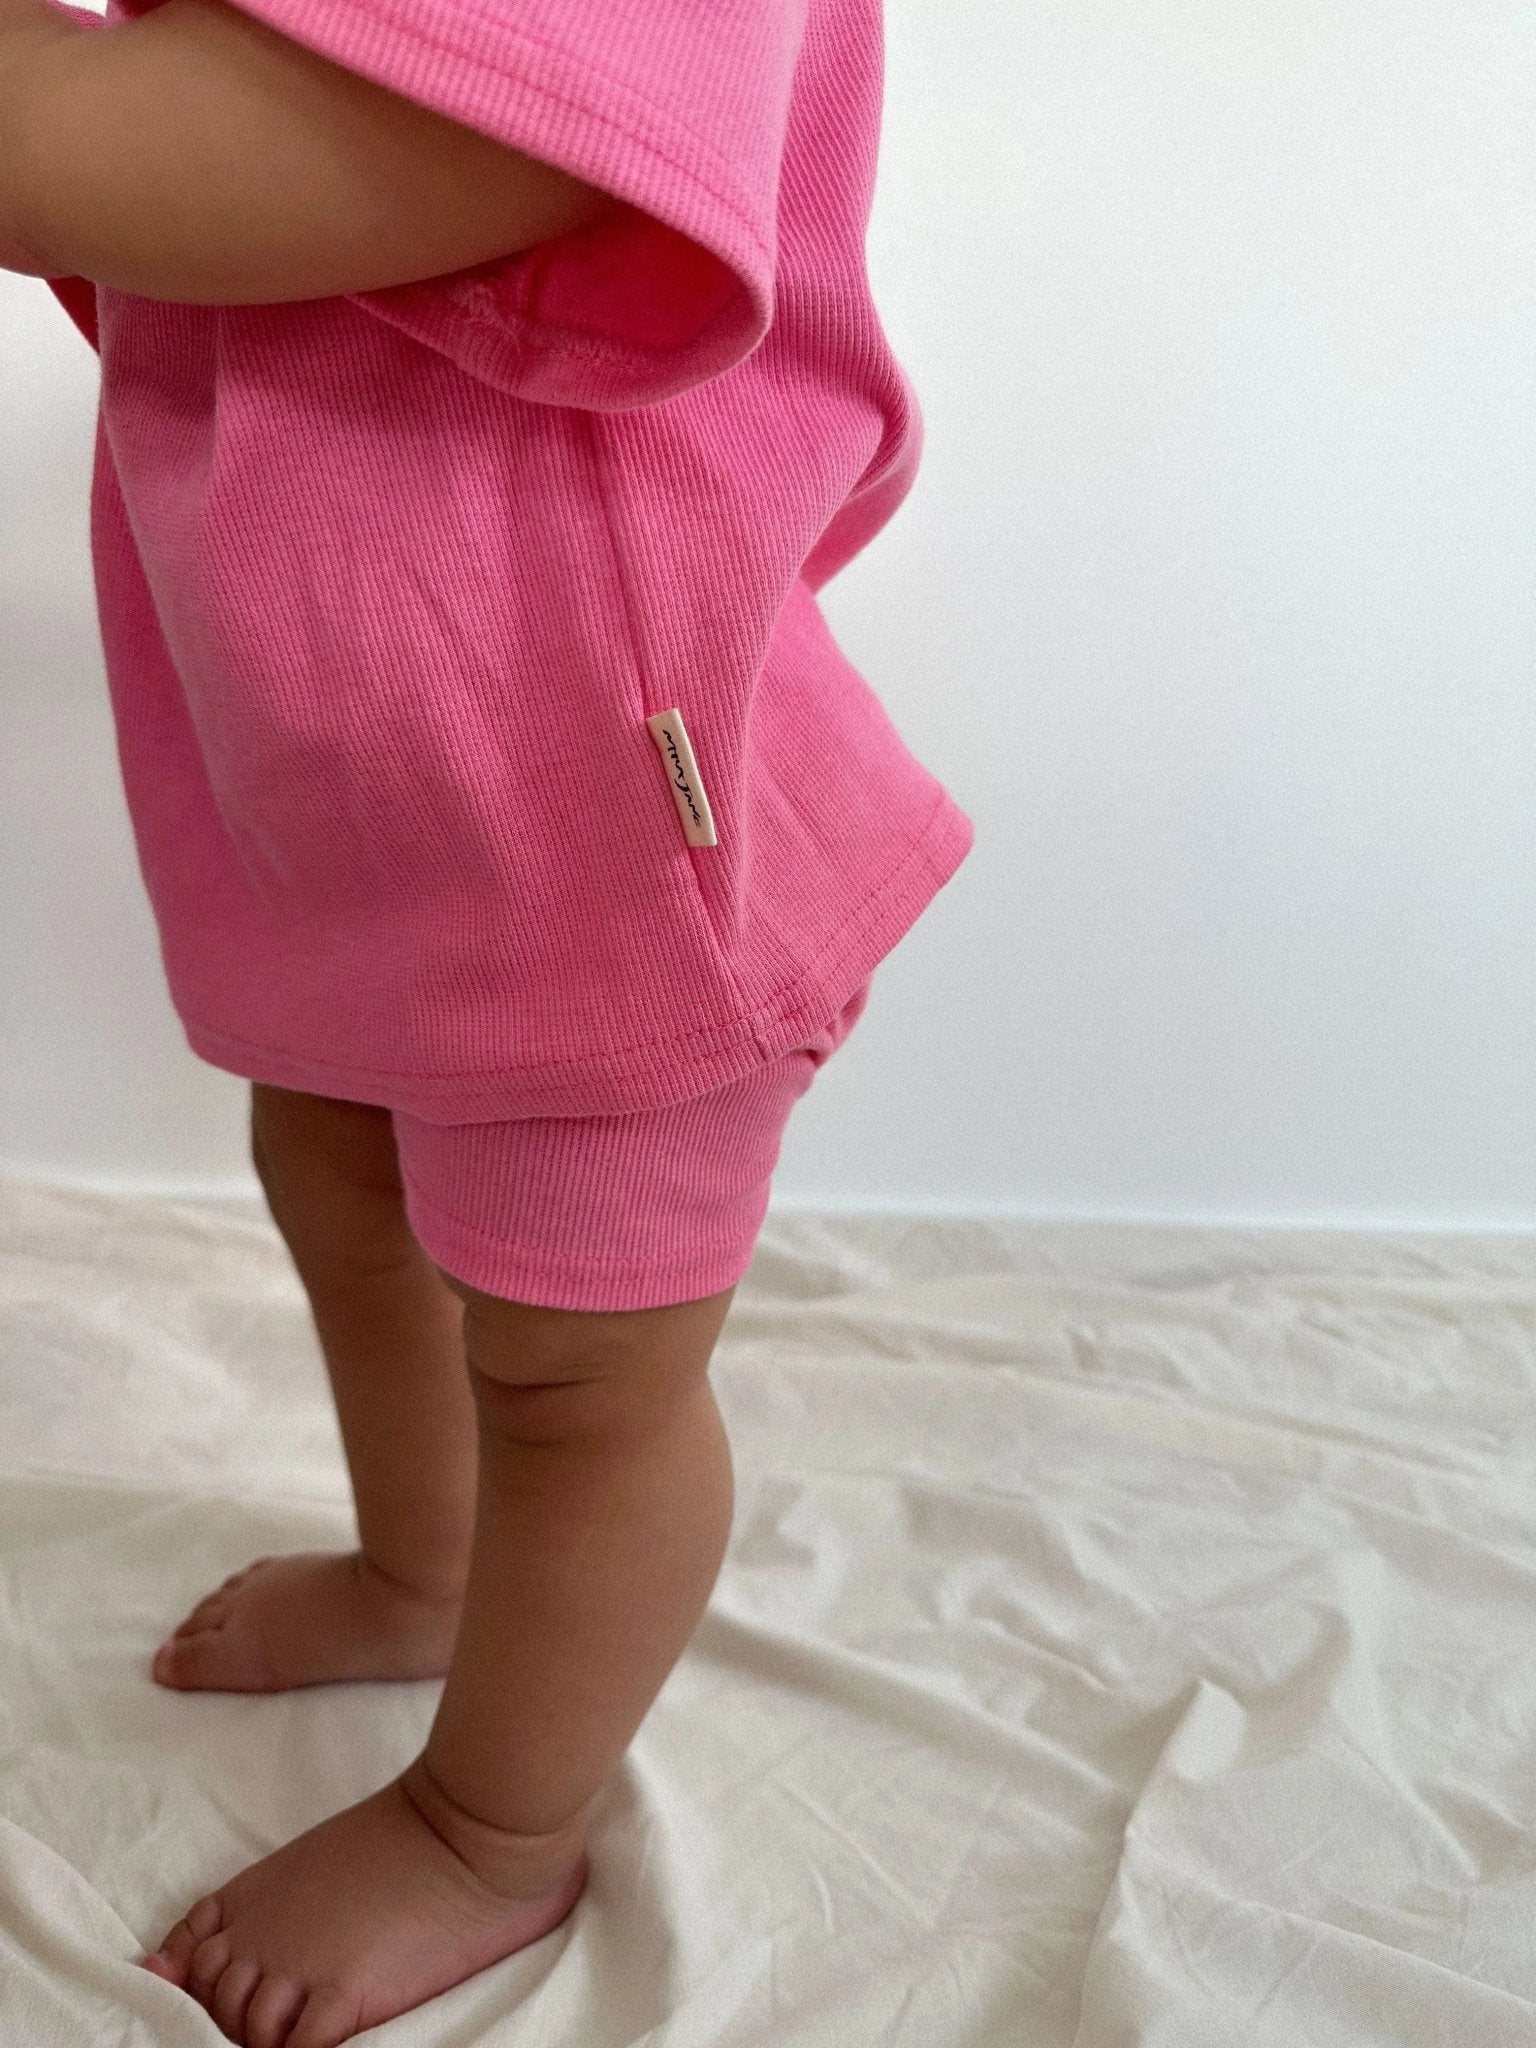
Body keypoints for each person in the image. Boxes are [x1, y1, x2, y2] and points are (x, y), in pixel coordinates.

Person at [2, 0, 973, 2040]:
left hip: (601, 815)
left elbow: (367, 140)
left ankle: (493, 1826)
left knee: (579, 1370)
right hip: (372, 780)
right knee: (336, 1179)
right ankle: (423, 1573)